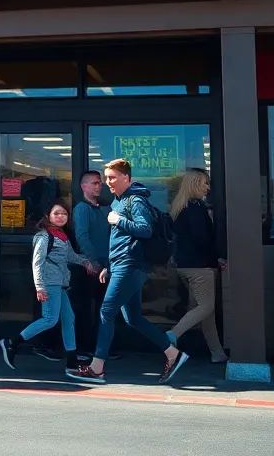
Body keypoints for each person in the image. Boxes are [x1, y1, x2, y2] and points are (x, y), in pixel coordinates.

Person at [66, 158, 189, 385]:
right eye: (106, 178)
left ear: (127, 178)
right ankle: (173, 354)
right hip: (122, 264)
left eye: (112, 177)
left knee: (106, 311)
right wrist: (109, 267)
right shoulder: (118, 202)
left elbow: (144, 230)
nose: (108, 182)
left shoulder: (135, 200)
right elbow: (118, 241)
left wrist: (119, 220)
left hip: (131, 265)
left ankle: (97, 368)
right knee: (133, 318)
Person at [0, 201, 95, 372]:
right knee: (50, 319)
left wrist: (85, 261)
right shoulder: (44, 237)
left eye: (64, 214)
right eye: (56, 213)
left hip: (60, 283)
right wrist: (40, 287)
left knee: (68, 319)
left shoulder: (61, 236)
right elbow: (37, 263)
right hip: (50, 283)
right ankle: (12, 342)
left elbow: (70, 256)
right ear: (48, 216)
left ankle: (71, 359)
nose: (60, 216)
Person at [167, 168, 228, 363]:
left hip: (184, 265)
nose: (208, 188)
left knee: (204, 311)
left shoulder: (180, 207)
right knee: (206, 306)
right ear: (195, 185)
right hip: (200, 267)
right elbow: (203, 239)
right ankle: (170, 336)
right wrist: (217, 257)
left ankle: (217, 354)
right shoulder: (195, 208)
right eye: (205, 183)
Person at [70, 169, 116, 363]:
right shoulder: (82, 209)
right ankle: (84, 347)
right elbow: (82, 236)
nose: (99, 186)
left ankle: (100, 348)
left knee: (103, 309)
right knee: (85, 310)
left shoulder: (105, 209)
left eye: (100, 183)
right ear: (84, 186)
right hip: (89, 267)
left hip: (105, 266)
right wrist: (93, 261)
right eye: (95, 183)